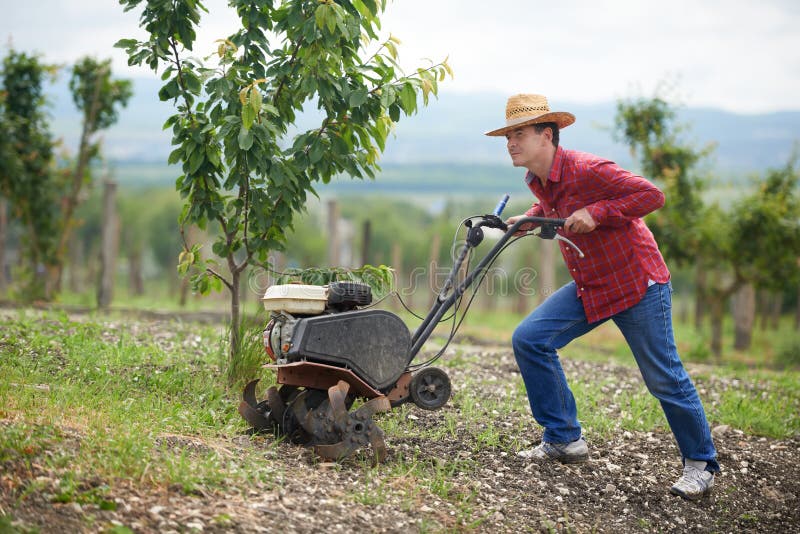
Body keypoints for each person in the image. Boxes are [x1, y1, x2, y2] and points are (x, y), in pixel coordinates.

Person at [485, 94, 719, 500]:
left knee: (663, 376)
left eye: (518, 134)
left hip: (636, 284)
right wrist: (531, 217)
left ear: (546, 135)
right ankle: (563, 438)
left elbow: (651, 195)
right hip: (592, 284)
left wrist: (599, 213)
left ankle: (701, 464)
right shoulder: (540, 178)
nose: (510, 142)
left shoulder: (587, 168)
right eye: (507, 135)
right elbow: (557, 204)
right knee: (530, 338)